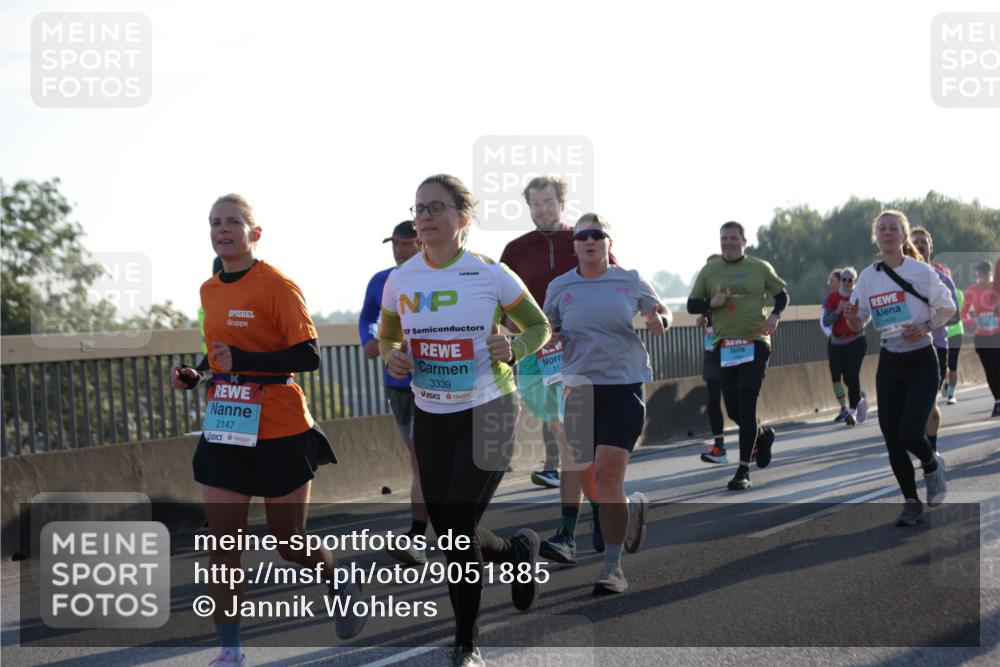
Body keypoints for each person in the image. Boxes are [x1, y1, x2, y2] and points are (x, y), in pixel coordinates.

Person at [171, 194, 365, 667]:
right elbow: (220, 351)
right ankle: (230, 651)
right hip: (226, 423)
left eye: (233, 222)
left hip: (279, 424)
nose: (222, 229)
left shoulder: (277, 285)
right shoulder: (208, 290)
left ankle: (337, 576)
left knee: (289, 541)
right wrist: (197, 373)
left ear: (254, 233)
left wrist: (246, 360)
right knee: (224, 545)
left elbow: (309, 355)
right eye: (215, 222)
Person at [380, 174, 548, 667]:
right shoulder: (401, 279)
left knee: (455, 526)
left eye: (436, 207)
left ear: (463, 217)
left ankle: (465, 644)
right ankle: (516, 553)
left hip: (490, 408)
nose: (425, 217)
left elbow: (539, 326)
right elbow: (389, 336)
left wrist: (515, 345)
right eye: (419, 209)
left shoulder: (491, 274)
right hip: (431, 412)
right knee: (453, 532)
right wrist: (392, 355)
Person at [543, 212, 669, 594]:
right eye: (582, 236)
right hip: (578, 390)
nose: (589, 241)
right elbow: (545, 329)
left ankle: (612, 569)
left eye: (597, 235)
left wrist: (660, 320)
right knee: (593, 480)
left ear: (609, 243)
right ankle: (628, 512)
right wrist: (548, 338)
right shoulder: (559, 287)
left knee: (609, 477)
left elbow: (662, 311)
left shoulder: (630, 279)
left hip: (623, 386)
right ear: (574, 245)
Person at [500, 175, 608, 563]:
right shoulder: (515, 250)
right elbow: (498, 305)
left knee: (570, 439)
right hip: (536, 359)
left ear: (562, 204)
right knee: (570, 441)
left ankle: (569, 532)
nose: (542, 210)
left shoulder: (582, 239)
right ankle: (602, 511)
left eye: (549, 203)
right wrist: (517, 333)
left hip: (579, 353)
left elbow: (612, 284)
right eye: (535, 204)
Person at [844, 210, 955, 527]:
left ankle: (932, 464)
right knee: (892, 438)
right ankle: (911, 503)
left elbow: (948, 307)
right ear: (876, 237)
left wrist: (925, 326)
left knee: (910, 433)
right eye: (882, 228)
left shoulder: (920, 271)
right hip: (890, 361)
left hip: (921, 359)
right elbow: (859, 322)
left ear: (904, 236)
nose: (888, 233)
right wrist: (852, 317)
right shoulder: (869, 277)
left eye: (894, 228)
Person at [687, 221, 788, 491]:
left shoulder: (760, 267)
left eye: (733, 238)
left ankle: (743, 470)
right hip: (726, 347)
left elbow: (782, 296)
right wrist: (710, 303)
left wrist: (775, 316)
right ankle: (762, 435)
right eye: (724, 238)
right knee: (733, 409)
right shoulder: (710, 271)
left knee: (746, 401)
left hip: (755, 343)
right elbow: (691, 304)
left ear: (744, 241)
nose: (728, 243)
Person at [358, 220, 427, 564]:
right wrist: (370, 340)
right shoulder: (381, 280)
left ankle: (417, 535)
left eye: (406, 244)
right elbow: (368, 317)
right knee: (419, 460)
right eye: (395, 244)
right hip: (396, 383)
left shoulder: (434, 279)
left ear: (422, 243)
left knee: (421, 458)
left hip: (432, 382)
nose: (399, 251)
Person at [911, 227, 959, 449]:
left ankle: (931, 450)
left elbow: (955, 315)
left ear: (931, 246)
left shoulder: (942, 279)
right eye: (916, 242)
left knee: (929, 405)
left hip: (936, 347)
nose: (920, 245)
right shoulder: (901, 276)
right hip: (908, 348)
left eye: (924, 241)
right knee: (913, 405)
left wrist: (929, 322)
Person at [821, 267, 868, 426]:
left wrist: (855, 316)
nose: (847, 283)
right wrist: (838, 310)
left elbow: (865, 317)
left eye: (850, 280)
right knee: (843, 377)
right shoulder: (833, 297)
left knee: (853, 375)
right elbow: (826, 321)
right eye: (844, 280)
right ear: (841, 281)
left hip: (856, 340)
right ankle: (860, 400)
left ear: (854, 282)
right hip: (837, 342)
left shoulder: (858, 297)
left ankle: (852, 411)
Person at [697, 254, 728, 463]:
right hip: (711, 351)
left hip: (730, 351)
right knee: (713, 402)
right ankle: (719, 447)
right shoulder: (705, 295)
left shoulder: (730, 291)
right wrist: (703, 317)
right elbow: (704, 316)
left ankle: (755, 439)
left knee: (736, 403)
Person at [961, 261, 1000, 417]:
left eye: (985, 273)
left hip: (997, 334)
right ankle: (998, 401)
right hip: (982, 336)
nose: (982, 276)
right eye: (979, 273)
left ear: (990, 273)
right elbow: (964, 312)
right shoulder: (972, 290)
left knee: (997, 368)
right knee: (989, 371)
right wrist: (969, 322)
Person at [821, 268, 851, 421]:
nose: (829, 284)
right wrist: (830, 334)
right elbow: (823, 321)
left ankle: (858, 397)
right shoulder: (829, 299)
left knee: (849, 377)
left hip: (850, 341)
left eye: (831, 281)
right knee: (835, 376)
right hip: (834, 341)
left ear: (840, 282)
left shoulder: (852, 296)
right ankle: (844, 408)